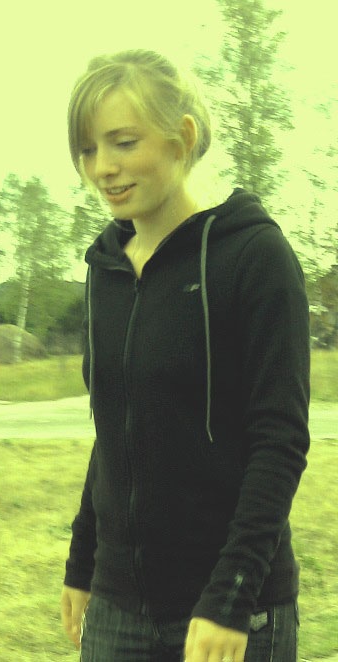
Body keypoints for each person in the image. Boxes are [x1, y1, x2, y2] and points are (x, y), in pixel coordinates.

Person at [60, 50, 310, 662]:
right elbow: (114, 432)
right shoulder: (104, 271)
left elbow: (279, 440)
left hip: (231, 610)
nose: (103, 167)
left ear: (183, 139)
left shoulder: (253, 257)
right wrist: (83, 562)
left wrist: (231, 597)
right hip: (118, 611)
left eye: (123, 142)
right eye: (88, 149)